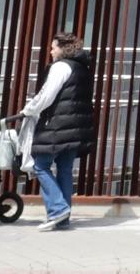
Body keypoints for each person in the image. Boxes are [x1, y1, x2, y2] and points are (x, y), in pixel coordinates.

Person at [19, 32, 95, 231]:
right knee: (65, 169)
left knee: (40, 166)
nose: (51, 51)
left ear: (63, 48)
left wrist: (29, 109)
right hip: (75, 127)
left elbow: (47, 94)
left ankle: (57, 209)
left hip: (57, 125)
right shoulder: (82, 68)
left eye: (53, 47)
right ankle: (63, 218)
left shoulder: (61, 67)